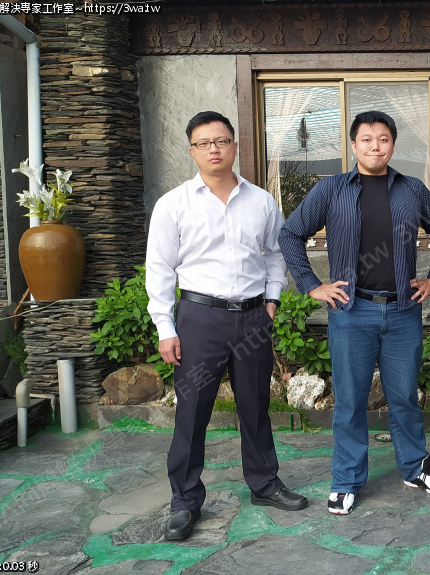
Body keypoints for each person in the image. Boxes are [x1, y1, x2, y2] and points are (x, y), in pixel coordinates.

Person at [279, 111, 430, 516]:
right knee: (350, 402)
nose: (375, 146)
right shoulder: (331, 189)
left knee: (404, 397)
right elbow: (291, 233)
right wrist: (312, 285)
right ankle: (346, 479)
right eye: (367, 139)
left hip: (403, 311)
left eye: (383, 139)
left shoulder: (411, 189)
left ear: (393, 144)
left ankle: (415, 468)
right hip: (350, 311)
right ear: (354, 145)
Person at [147, 111, 308, 542]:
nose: (214, 149)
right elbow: (159, 268)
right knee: (192, 411)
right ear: (192, 151)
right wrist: (165, 327)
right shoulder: (174, 204)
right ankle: (185, 501)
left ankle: (265, 483)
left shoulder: (261, 201)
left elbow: (275, 254)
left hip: (253, 317)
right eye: (203, 143)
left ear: (235, 146)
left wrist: (272, 300)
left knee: (255, 405)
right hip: (200, 319)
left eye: (221, 141)